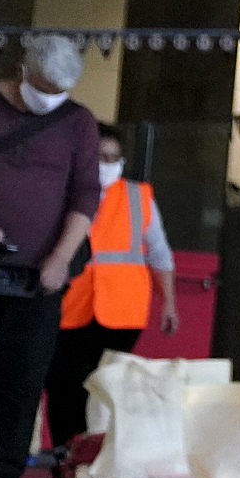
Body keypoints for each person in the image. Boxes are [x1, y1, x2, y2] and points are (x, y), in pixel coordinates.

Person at [0, 36, 102, 478]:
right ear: (23, 70)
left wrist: (59, 258)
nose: (50, 97)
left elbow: (85, 193)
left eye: (60, 90)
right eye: (43, 87)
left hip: (40, 277)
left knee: (21, 380)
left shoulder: (77, 122)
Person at [43, 129, 178, 460]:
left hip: (122, 310)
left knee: (107, 391)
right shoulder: (59, 191)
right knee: (64, 388)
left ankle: (102, 466)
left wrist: (169, 303)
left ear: (121, 162)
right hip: (68, 307)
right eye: (98, 157)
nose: (105, 164)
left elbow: (158, 253)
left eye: (112, 158)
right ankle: (68, 462)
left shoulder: (137, 196)